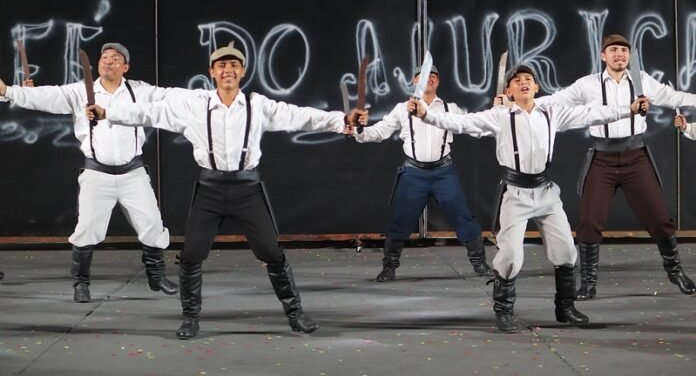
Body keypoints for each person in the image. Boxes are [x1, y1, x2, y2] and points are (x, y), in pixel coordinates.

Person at [86, 42, 368, 339]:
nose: (228, 70)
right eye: (221, 65)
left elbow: (300, 116)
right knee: (192, 255)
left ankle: (295, 313)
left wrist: (342, 120)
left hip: (247, 190)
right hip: (210, 190)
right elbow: (148, 113)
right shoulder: (195, 106)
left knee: (272, 253)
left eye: (234, 65)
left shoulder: (258, 106)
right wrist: (107, 112)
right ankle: (190, 318)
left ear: (242, 71)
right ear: (212, 72)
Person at [410, 63, 648, 332]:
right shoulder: (500, 116)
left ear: (536, 87)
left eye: (528, 79)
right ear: (509, 91)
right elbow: (461, 123)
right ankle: (503, 310)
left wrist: (628, 109)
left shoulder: (551, 112)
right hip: (516, 193)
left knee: (566, 250)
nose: (523, 82)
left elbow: (590, 114)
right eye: (517, 80)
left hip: (546, 192)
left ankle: (565, 307)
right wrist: (426, 114)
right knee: (510, 255)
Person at [0, 42, 180, 303]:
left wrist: (211, 96)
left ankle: (156, 274)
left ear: (125, 67)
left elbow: (172, 96)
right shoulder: (80, 91)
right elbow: (46, 96)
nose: (109, 61)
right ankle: (81, 282)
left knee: (152, 224)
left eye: (115, 58)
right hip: (97, 175)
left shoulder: (139, 91)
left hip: (133, 173)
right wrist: (7, 91)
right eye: (105, 57)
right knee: (87, 229)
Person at [540, 34, 696, 300]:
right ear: (603, 56)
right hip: (602, 158)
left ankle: (675, 271)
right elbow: (556, 100)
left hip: (636, 156)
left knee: (660, 219)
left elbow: (672, 97)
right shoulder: (588, 84)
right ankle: (588, 282)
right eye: (613, 50)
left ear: (629, 56)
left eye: (624, 50)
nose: (619, 54)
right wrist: (518, 104)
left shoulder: (641, 80)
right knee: (589, 222)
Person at [350, 64, 493, 281]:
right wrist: (359, 130)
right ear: (415, 81)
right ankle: (389, 267)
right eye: (423, 76)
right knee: (400, 220)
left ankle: (479, 263)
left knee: (463, 217)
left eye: (433, 76)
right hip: (414, 173)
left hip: (444, 172)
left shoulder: (450, 108)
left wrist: (498, 113)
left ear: (438, 81)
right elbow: (379, 132)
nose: (429, 79)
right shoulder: (402, 109)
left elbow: (475, 126)